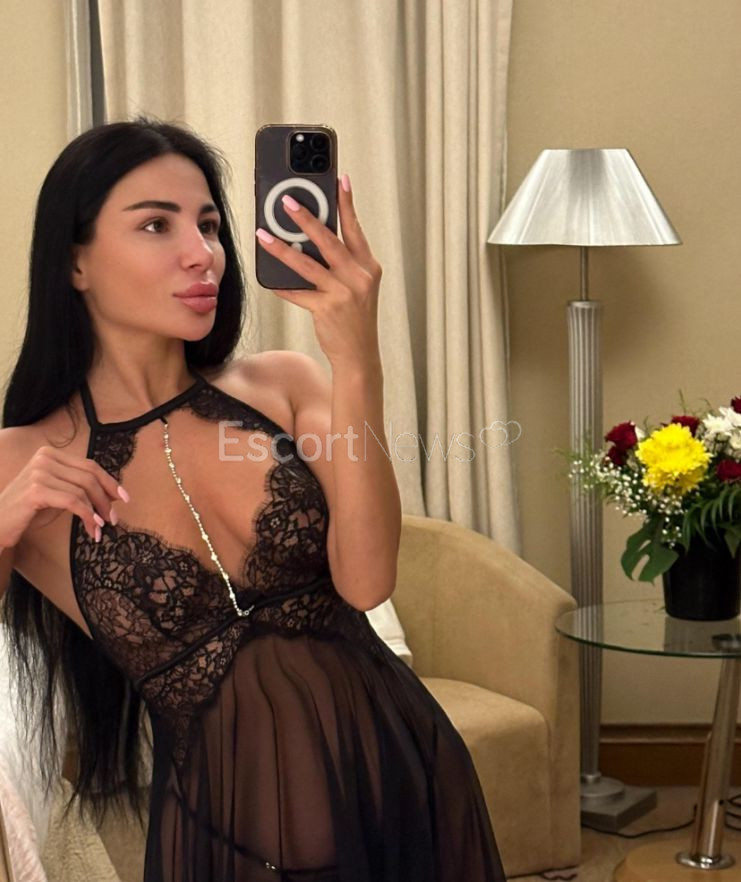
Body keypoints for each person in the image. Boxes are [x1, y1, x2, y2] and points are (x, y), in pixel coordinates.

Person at [0, 118, 506, 881]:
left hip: (403, 783)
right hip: (223, 843)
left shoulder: (283, 386)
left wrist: (355, 360)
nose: (201, 252)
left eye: (208, 225)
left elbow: (367, 579)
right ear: (75, 261)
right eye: (156, 225)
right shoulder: (22, 460)